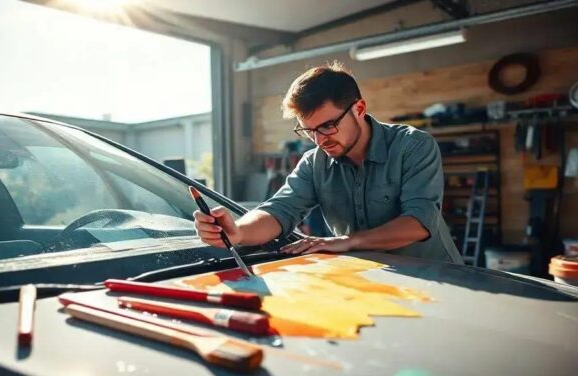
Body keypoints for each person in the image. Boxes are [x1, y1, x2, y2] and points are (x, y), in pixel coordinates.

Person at [194, 61, 463, 264]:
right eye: (308, 130)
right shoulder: (314, 164)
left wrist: (342, 242)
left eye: (328, 126)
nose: (319, 140)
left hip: (436, 279)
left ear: (359, 109)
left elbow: (418, 222)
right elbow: (279, 211)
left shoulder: (413, 146)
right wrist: (238, 231)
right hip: (365, 281)